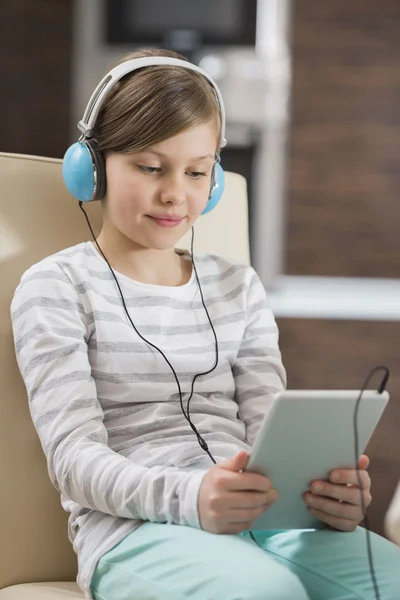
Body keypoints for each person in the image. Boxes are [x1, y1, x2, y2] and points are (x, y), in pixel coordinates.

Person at [11, 48, 400, 600]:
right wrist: (193, 497)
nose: (175, 194)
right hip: (134, 533)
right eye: (150, 167)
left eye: (196, 172)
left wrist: (320, 492)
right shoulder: (56, 287)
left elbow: (269, 432)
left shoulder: (238, 287)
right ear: (92, 168)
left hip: (266, 518)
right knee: (269, 592)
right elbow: (74, 461)